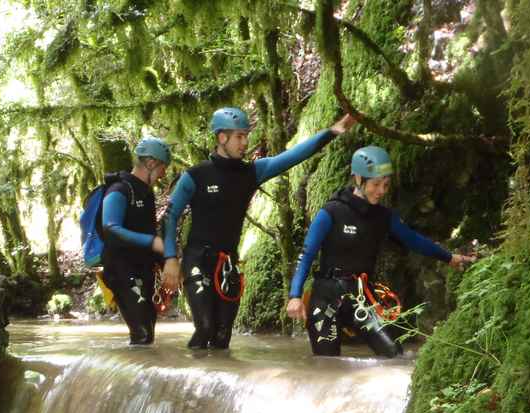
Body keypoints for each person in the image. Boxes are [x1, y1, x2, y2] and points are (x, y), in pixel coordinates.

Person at [160, 108, 356, 349]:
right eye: (239, 136)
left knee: (222, 337)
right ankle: (189, 380)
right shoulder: (195, 176)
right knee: (205, 327)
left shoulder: (252, 172)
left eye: (246, 136)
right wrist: (170, 257)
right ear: (222, 137)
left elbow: (293, 156)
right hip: (198, 260)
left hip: (228, 265)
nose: (245, 142)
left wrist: (332, 132)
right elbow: (169, 218)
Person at [286, 145, 474, 357]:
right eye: (376, 184)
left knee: (394, 354)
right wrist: (295, 295)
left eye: (385, 185)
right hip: (326, 300)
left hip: (361, 298)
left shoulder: (383, 217)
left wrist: (449, 257)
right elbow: (307, 255)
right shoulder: (331, 212)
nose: (381, 191)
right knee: (327, 365)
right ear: (358, 178)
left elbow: (413, 239)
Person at [100, 137, 171, 345]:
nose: (164, 174)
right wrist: (151, 242)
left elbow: (148, 230)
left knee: (146, 334)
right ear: (150, 163)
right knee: (142, 334)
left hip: (144, 270)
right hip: (121, 271)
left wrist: (166, 262)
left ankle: (143, 374)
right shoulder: (119, 190)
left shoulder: (146, 193)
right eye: (162, 168)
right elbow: (111, 229)